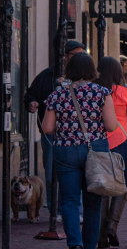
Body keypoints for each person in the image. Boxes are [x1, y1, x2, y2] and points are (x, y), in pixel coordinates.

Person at [41, 52, 118, 249]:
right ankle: (90, 245)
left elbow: (47, 128)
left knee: (69, 201)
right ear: (92, 70)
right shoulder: (102, 92)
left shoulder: (57, 94)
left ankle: (75, 243)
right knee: (93, 202)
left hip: (65, 151)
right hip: (95, 151)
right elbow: (111, 126)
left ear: (70, 70)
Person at [24, 40, 87, 202]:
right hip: (51, 134)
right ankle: (55, 208)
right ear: (64, 56)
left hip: (75, 133)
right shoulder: (47, 76)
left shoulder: (83, 78)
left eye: (82, 54)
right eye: (76, 54)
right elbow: (31, 93)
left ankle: (72, 205)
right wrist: (31, 102)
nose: (80, 58)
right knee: (52, 172)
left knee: (75, 172)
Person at [97, 56, 127, 248]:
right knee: (120, 186)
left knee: (102, 188)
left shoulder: (95, 91)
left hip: (100, 143)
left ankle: (102, 233)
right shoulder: (123, 92)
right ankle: (112, 225)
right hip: (120, 143)